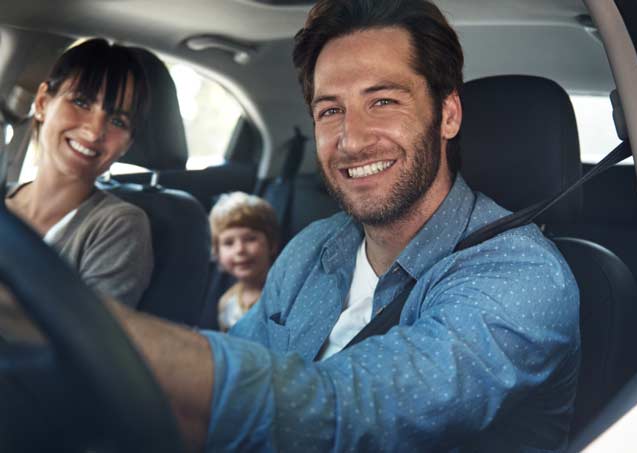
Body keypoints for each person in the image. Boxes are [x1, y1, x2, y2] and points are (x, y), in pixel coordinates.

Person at [1, 1, 580, 451]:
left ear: (447, 113)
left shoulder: (522, 277)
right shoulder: (313, 249)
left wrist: (59, 315)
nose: (351, 139)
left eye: (383, 102)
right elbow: (223, 385)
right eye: (331, 110)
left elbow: (347, 416)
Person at [3, 38, 153, 307]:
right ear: (41, 103)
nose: (95, 131)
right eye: (82, 102)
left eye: (118, 120)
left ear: (128, 144)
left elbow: (90, 340)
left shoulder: (118, 225)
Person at [209, 192, 280, 331]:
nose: (240, 250)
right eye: (229, 243)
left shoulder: (282, 294)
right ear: (217, 253)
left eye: (250, 239)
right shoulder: (226, 303)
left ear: (271, 244)